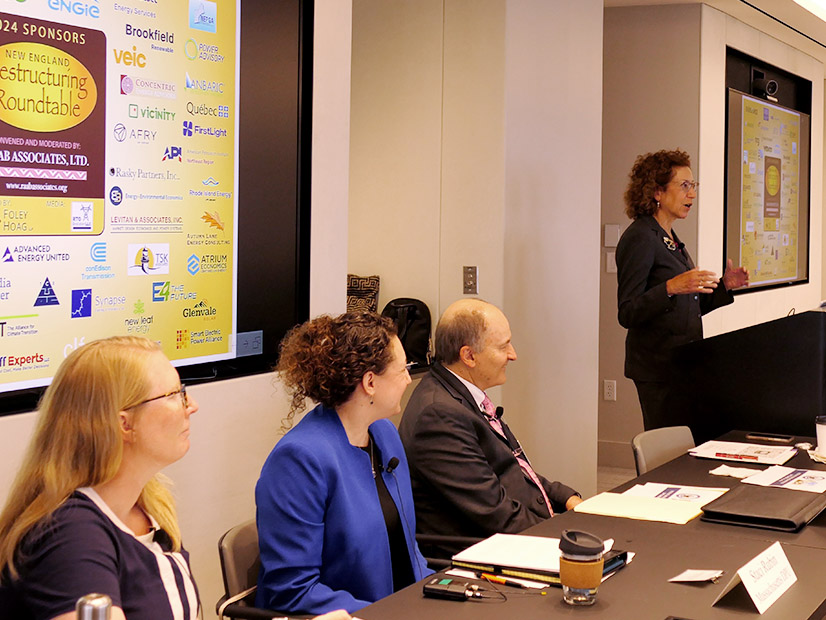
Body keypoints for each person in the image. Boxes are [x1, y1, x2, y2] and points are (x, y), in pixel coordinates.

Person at [0, 336, 358, 620]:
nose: (191, 406)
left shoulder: (148, 507)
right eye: (174, 395)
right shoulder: (70, 537)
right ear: (123, 423)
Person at [255, 312, 432, 616]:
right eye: (403, 369)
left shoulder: (384, 433)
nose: (408, 379)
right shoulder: (299, 459)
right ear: (370, 382)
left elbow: (407, 551)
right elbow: (293, 590)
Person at [399, 299, 581, 560]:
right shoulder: (439, 414)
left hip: (510, 536)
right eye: (503, 345)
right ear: (469, 356)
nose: (513, 354)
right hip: (482, 554)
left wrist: (568, 499)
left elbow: (513, 468)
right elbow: (494, 513)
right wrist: (564, 536)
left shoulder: (459, 394)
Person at [616, 149, 749, 431]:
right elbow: (627, 312)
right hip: (658, 369)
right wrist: (669, 287)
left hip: (683, 363)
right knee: (667, 449)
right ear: (657, 192)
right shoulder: (640, 238)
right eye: (684, 186)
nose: (692, 194)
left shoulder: (668, 237)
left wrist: (724, 286)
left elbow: (686, 306)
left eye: (694, 186)